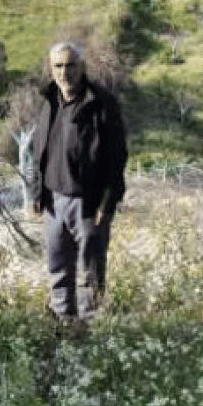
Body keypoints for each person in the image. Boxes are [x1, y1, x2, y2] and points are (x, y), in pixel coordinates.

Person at [28, 42, 128, 325]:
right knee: (58, 269)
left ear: (82, 66)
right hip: (53, 202)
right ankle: (63, 326)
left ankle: (88, 333)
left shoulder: (101, 103)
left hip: (88, 202)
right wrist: (38, 192)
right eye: (58, 66)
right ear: (51, 68)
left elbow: (116, 156)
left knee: (90, 272)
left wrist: (107, 202)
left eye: (70, 65)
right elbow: (40, 150)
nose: (64, 72)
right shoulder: (49, 100)